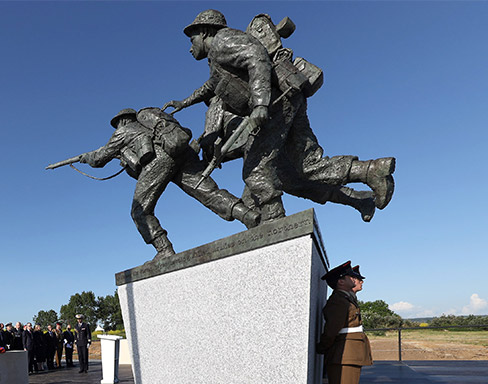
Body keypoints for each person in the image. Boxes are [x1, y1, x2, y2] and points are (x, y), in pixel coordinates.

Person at [164, 9, 395, 223]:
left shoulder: (223, 41)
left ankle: (275, 224)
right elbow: (213, 84)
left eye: (191, 39)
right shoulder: (217, 59)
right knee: (308, 165)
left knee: (255, 171)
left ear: (204, 32)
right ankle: (373, 170)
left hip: (274, 103)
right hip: (285, 98)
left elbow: (256, 56)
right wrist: (185, 102)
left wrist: (260, 103)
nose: (190, 46)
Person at [77, 108, 259, 260]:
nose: (116, 127)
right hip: (182, 152)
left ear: (122, 121)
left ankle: (164, 249)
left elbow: (99, 158)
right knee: (207, 191)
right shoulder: (151, 125)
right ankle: (247, 215)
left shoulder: (123, 131)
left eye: (117, 123)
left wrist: (85, 158)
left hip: (160, 160)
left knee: (140, 210)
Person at [318, 261, 373, 384]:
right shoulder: (338, 301)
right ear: (340, 282)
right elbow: (331, 330)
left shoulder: (346, 299)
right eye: (353, 277)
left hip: (350, 353)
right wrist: (323, 348)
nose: (358, 280)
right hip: (343, 354)